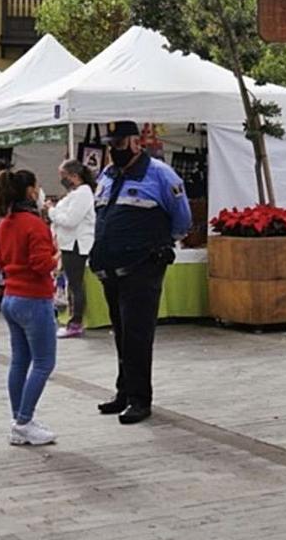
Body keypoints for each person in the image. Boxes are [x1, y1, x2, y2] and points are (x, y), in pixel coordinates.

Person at [91, 121, 191, 426]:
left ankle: (139, 399)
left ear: (137, 142)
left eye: (120, 144)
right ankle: (124, 392)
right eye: (111, 144)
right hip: (112, 269)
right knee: (121, 332)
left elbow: (181, 219)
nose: (114, 149)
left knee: (137, 334)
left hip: (143, 267)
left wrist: (157, 245)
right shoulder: (107, 175)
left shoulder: (160, 174)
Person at [0, 169, 60, 446]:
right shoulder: (34, 225)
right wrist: (57, 259)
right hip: (34, 297)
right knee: (44, 362)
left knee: (20, 360)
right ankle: (24, 421)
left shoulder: (4, 224)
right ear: (31, 191)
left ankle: (19, 418)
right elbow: (41, 263)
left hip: (11, 296)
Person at [46, 159, 97, 339]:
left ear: (74, 176)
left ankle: (76, 322)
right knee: (71, 283)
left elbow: (70, 220)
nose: (61, 179)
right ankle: (72, 319)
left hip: (76, 244)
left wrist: (52, 211)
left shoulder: (83, 193)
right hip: (68, 243)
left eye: (63, 176)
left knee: (76, 284)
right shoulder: (75, 193)